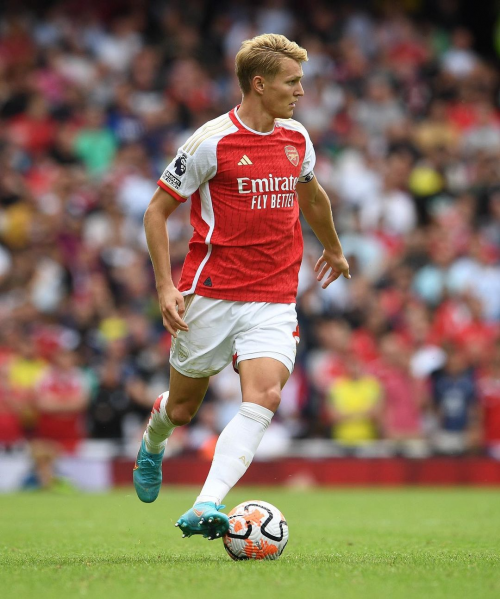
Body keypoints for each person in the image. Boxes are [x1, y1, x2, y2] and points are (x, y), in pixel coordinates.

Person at [133, 33, 350, 541]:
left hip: (273, 296)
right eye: (291, 82)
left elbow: (312, 196)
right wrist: (166, 287)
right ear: (259, 84)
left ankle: (207, 503)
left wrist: (334, 248)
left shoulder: (296, 138)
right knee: (184, 408)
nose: (300, 92)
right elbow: (155, 212)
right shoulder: (210, 142)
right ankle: (153, 439)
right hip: (209, 292)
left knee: (266, 394)